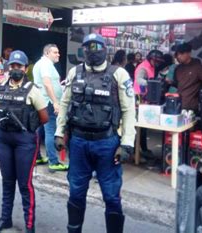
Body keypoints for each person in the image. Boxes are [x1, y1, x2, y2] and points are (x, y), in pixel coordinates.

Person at [54, 33, 136, 233]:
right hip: (78, 143)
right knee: (76, 193)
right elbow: (65, 104)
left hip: (107, 144)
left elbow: (129, 111)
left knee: (111, 196)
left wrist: (127, 144)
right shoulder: (75, 72)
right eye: (88, 47)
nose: (92, 51)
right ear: (83, 50)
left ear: (104, 48)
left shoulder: (119, 74)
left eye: (97, 46)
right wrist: (59, 132)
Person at [0, 50, 49, 233]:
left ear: (25, 68)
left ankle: (29, 225)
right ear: (9, 67)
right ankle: (5, 219)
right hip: (4, 139)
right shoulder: (1, 87)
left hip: (25, 141)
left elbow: (44, 117)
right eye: (13, 66)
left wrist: (29, 127)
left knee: (24, 184)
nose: (15, 69)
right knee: (7, 181)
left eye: (19, 66)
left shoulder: (33, 90)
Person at [32, 44, 68, 172]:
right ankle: (53, 161)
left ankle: (37, 157)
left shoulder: (40, 63)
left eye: (58, 52)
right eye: (55, 52)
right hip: (48, 102)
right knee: (50, 131)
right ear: (47, 53)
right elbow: (47, 83)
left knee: (39, 131)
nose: (58, 54)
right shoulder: (46, 64)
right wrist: (55, 102)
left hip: (41, 101)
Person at [173, 42, 202, 113]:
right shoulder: (178, 69)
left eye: (182, 53)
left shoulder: (197, 67)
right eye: (178, 54)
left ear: (189, 53)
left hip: (190, 108)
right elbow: (176, 84)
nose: (179, 56)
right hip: (177, 105)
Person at [133, 49, 164, 157]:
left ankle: (143, 149)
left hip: (145, 99)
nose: (157, 63)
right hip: (139, 100)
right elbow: (138, 80)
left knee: (143, 128)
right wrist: (151, 83)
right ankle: (135, 152)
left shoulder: (151, 66)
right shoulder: (143, 67)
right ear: (151, 59)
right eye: (156, 61)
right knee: (138, 128)